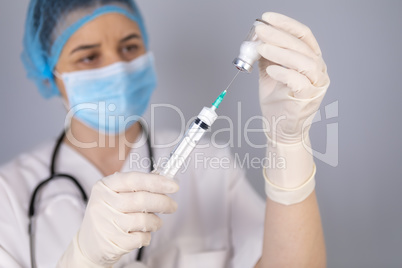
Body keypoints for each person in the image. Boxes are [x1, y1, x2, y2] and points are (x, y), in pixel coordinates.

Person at [0, 0, 330, 267]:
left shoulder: (208, 164)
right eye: (89, 57)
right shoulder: (10, 195)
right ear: (49, 75)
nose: (118, 67)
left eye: (130, 47)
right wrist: (82, 259)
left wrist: (289, 142)